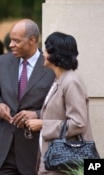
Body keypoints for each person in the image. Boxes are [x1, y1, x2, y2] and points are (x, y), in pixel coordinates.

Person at [0, 19, 55, 175]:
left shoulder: (50, 66)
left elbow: (58, 106)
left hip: (34, 151)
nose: (10, 45)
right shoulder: (2, 62)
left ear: (32, 40)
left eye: (16, 41)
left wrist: (37, 114)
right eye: (11, 40)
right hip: (3, 150)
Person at [25, 31, 97, 175]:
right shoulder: (59, 80)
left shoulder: (71, 82)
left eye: (46, 49)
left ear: (55, 53)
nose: (43, 54)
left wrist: (42, 124)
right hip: (54, 163)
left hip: (66, 166)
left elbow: (78, 123)